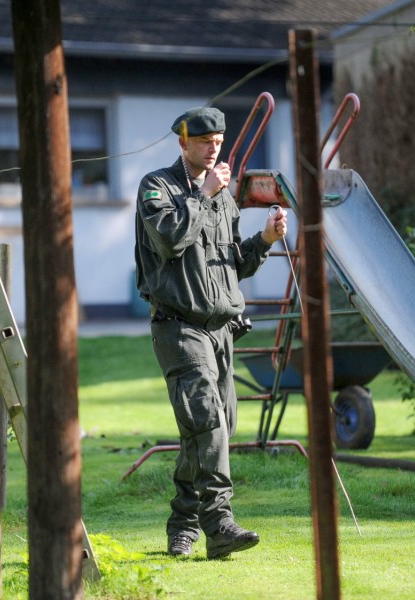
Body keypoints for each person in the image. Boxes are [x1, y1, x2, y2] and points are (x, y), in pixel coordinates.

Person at [134, 106, 287, 559]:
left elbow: (230, 264)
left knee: (209, 432)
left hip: (220, 331)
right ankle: (220, 525)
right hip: (177, 327)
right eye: (204, 142)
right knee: (207, 424)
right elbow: (170, 240)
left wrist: (263, 241)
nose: (213, 148)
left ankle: (182, 525)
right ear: (183, 143)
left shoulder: (222, 193)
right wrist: (202, 194)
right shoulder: (157, 187)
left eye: (218, 141)